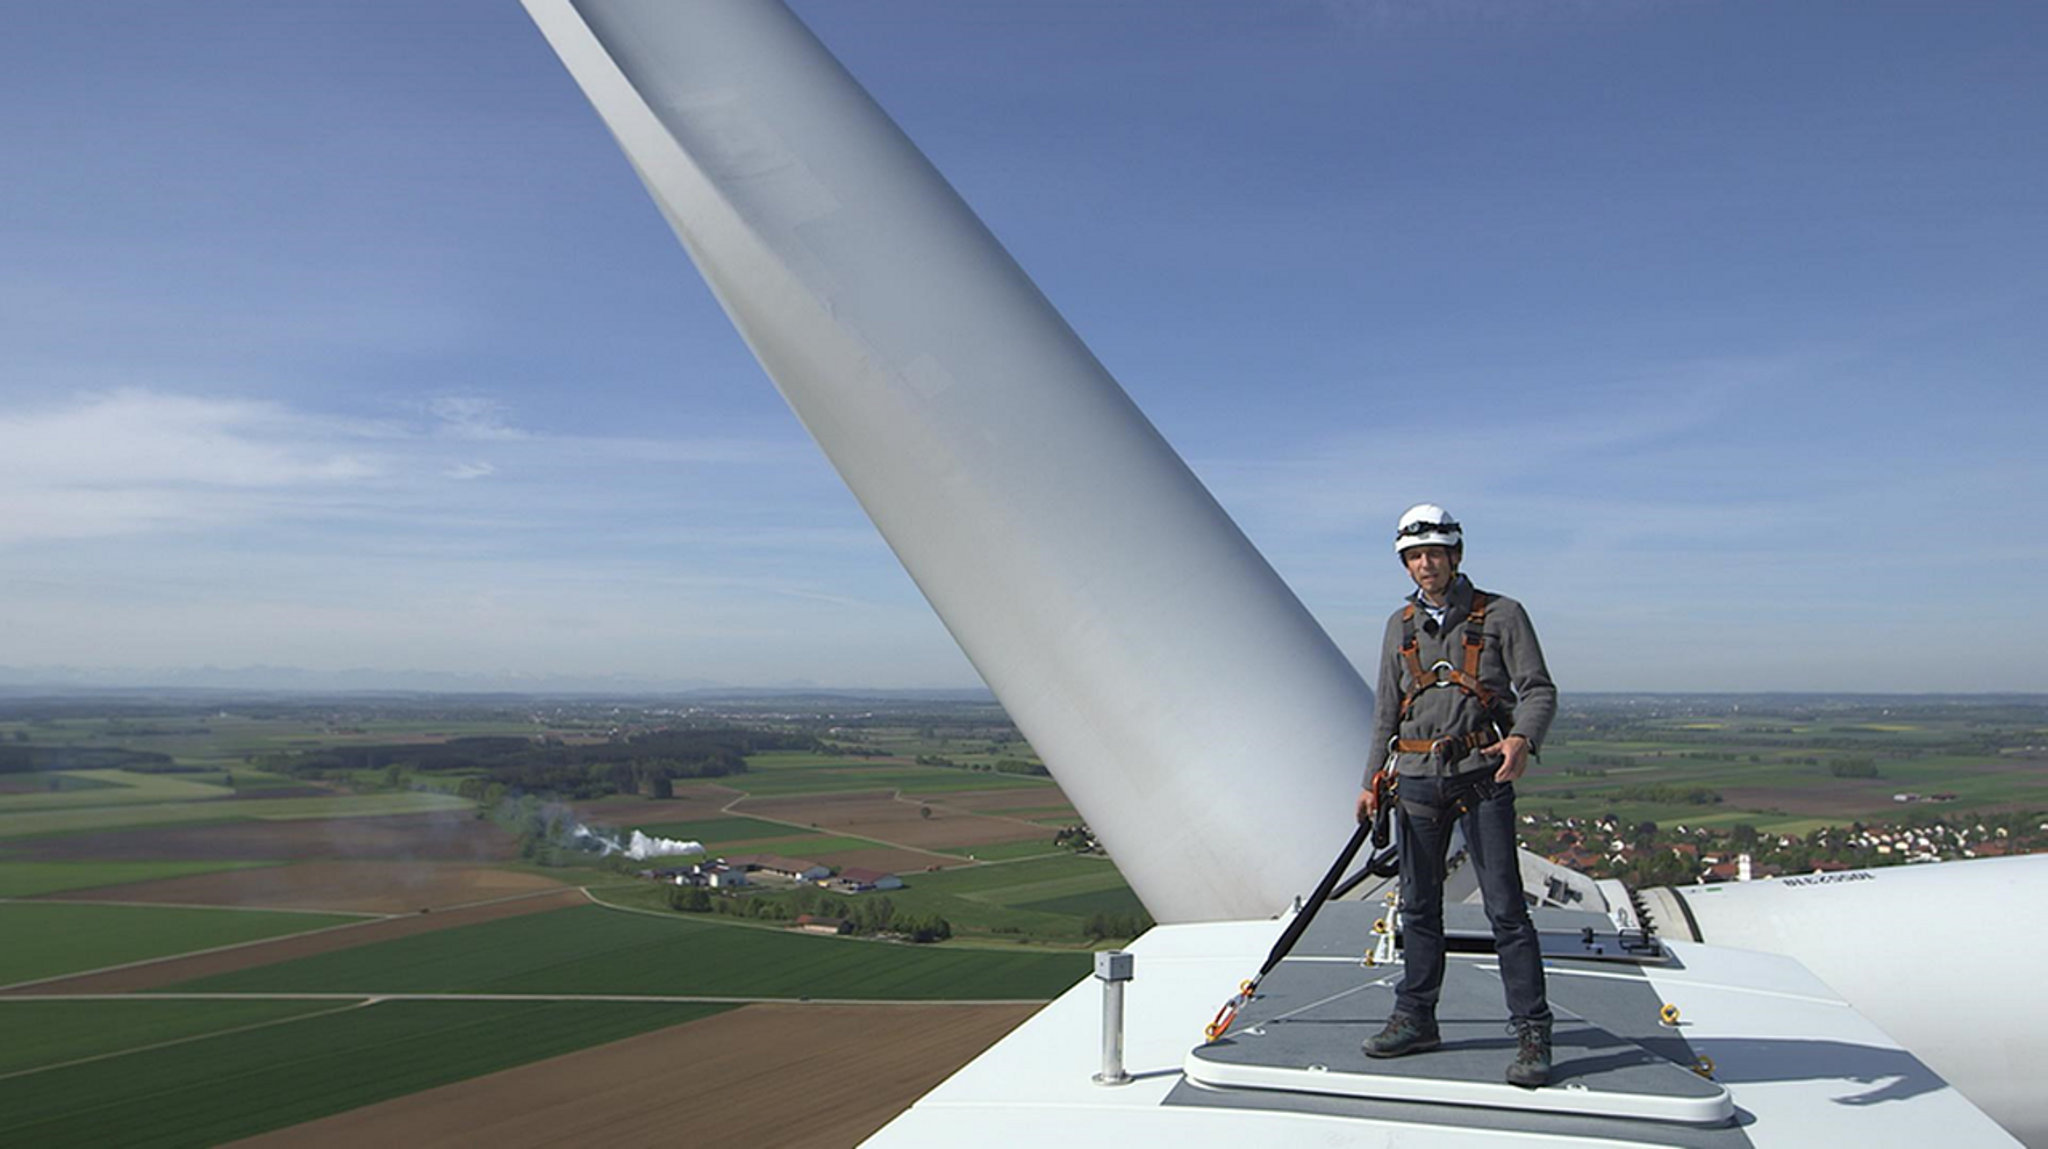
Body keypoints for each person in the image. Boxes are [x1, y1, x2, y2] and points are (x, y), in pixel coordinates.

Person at [1356, 503, 1558, 1087]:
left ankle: (1532, 1031)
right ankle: (1417, 1018)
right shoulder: (1399, 626)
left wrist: (1522, 738)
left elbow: (1538, 688)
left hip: (1480, 776)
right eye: (1415, 556)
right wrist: (1372, 780)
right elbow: (1385, 711)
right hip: (1416, 781)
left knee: (1506, 911)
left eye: (1434, 554)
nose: (1425, 565)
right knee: (1418, 908)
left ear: (1455, 556)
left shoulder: (1502, 615)